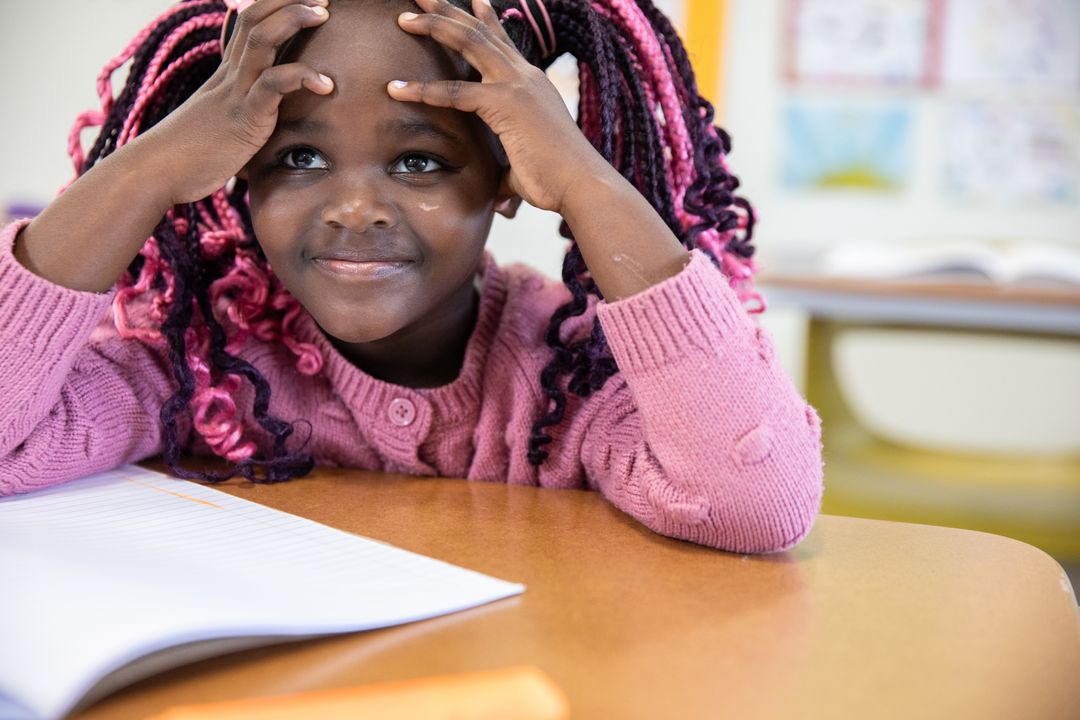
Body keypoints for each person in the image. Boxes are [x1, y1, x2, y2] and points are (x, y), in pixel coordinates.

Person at [0, 0, 823, 553]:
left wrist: (586, 179)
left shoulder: (568, 381)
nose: (356, 207)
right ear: (236, 173)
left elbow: (758, 505)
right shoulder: (204, 363)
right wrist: (143, 174)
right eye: (300, 157)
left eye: (420, 160)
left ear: (507, 179)